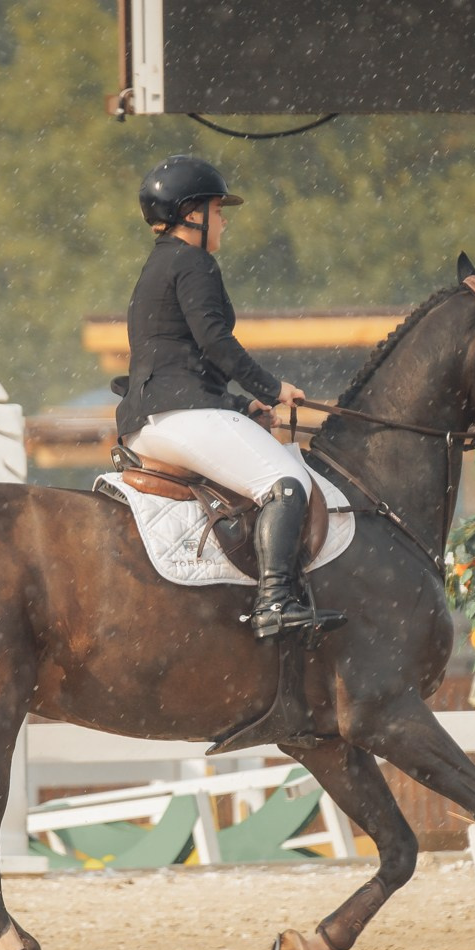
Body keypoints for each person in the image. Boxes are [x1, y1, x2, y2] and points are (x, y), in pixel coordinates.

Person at [116, 154, 342, 638]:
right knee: (286, 481)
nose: (223, 223)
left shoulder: (157, 266)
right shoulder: (195, 262)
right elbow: (214, 342)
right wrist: (271, 388)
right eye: (219, 212)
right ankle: (275, 600)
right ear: (192, 214)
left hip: (150, 419)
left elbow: (178, 355)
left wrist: (243, 406)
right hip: (179, 414)